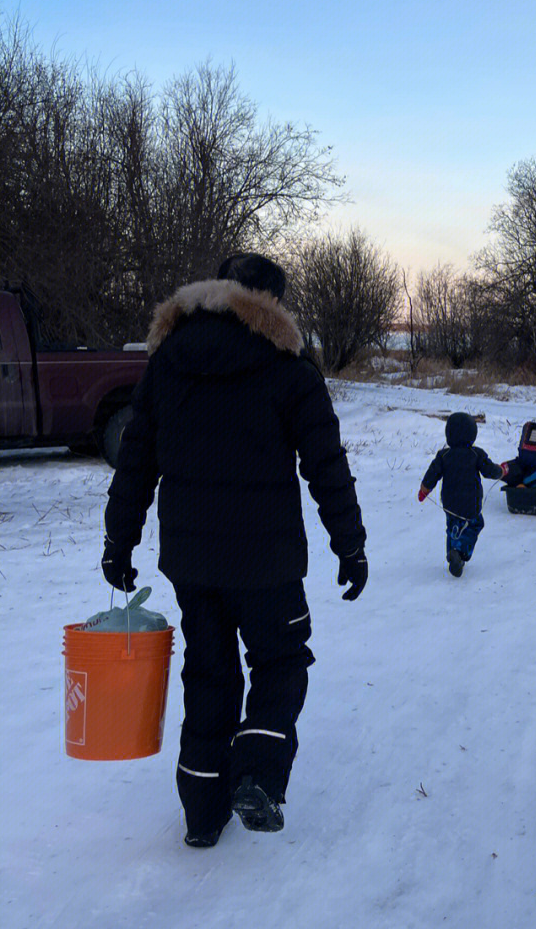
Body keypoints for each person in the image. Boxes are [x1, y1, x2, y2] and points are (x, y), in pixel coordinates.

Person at [101, 252, 368, 848]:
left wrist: (119, 541)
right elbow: (325, 463)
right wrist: (349, 544)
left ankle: (201, 814)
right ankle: (256, 777)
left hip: (192, 562)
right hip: (266, 562)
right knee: (280, 661)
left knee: (210, 673)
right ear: (271, 301)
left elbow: (135, 458)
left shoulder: (168, 360)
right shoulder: (288, 365)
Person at [418, 411, 505, 576]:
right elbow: (489, 470)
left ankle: (452, 553)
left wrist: (424, 489)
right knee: (474, 525)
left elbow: (432, 474)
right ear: (472, 435)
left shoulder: (444, 455)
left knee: (452, 526)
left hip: (450, 502)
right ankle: (461, 553)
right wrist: (500, 471)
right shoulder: (476, 454)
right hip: (471, 503)